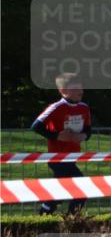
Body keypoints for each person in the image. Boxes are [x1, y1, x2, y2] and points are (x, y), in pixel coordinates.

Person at [31, 73, 91, 214]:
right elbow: (35, 126)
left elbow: (88, 131)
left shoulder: (84, 107)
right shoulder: (56, 107)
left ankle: (54, 217)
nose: (80, 91)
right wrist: (57, 136)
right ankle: (68, 221)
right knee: (79, 189)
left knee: (62, 191)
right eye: (75, 88)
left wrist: (83, 136)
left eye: (81, 87)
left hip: (72, 157)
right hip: (57, 158)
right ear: (63, 91)